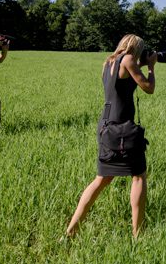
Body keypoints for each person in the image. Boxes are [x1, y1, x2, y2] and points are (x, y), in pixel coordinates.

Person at [66, 34, 156, 238]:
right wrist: (150, 67)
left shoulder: (108, 61)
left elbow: (120, 84)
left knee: (101, 178)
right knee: (139, 176)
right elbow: (149, 88)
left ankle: (72, 229)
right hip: (122, 128)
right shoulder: (129, 60)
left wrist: (140, 63)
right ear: (136, 48)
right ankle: (138, 234)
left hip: (105, 124)